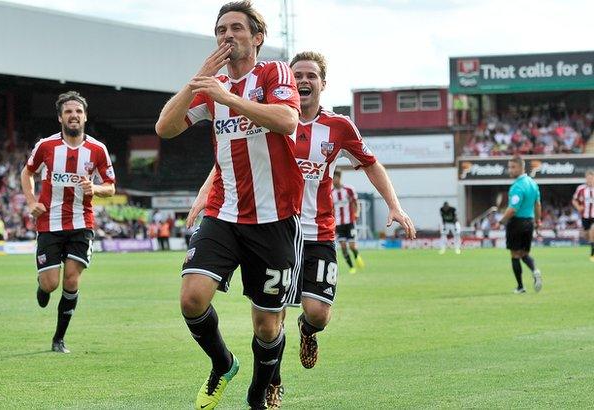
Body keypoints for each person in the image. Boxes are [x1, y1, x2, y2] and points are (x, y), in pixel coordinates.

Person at [155, 2, 303, 408]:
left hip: (274, 218)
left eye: (237, 28)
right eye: (221, 29)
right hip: (224, 212)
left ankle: (260, 391)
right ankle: (222, 364)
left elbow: (287, 120)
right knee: (192, 298)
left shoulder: (274, 73)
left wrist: (228, 98)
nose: (227, 35)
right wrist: (197, 81)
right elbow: (164, 128)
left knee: (267, 324)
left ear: (257, 37)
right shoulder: (212, 86)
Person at [271, 51, 415, 408]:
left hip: (319, 231)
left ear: (322, 83)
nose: (303, 81)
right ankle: (271, 383)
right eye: (297, 75)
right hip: (276, 230)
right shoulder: (270, 119)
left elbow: (371, 164)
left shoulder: (339, 127)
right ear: (289, 82)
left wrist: (394, 206)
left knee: (317, 313)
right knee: (272, 315)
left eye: (311, 76)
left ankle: (308, 331)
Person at [21, 91, 115, 354]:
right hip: (49, 223)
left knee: (71, 281)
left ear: (84, 117)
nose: (73, 116)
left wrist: (94, 188)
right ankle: (43, 287)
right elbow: (27, 172)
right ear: (60, 117)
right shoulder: (46, 146)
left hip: (81, 223)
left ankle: (59, 338)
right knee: (51, 283)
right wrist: (31, 202)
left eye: (78, 112)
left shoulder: (97, 150)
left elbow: (111, 187)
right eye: (68, 112)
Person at [498, 156, 542, 294]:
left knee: (515, 255)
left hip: (517, 222)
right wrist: (538, 221)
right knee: (524, 253)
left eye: (513, 167)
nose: (510, 170)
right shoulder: (533, 183)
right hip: (529, 222)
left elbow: (512, 210)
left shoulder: (517, 187)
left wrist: (501, 221)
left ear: (521, 167)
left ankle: (520, 287)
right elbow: (538, 204)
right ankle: (535, 270)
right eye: (509, 167)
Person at [331, 172, 364, 273]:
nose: (333, 180)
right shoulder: (331, 192)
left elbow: (356, 203)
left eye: (335, 178)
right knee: (344, 247)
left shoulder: (349, 190)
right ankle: (351, 267)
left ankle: (356, 255)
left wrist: (357, 213)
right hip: (338, 224)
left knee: (352, 246)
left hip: (350, 222)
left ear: (339, 178)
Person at [571, 169, 594, 262]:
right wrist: (578, 207)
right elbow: (574, 200)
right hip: (585, 216)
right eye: (588, 178)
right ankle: (592, 244)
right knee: (586, 236)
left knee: (593, 231)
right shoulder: (581, 189)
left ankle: (592, 253)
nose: (590, 180)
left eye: (591, 178)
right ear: (586, 179)